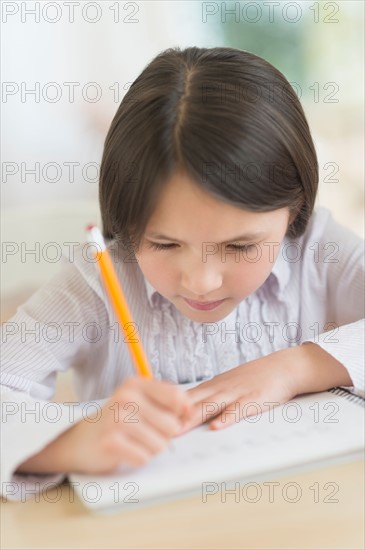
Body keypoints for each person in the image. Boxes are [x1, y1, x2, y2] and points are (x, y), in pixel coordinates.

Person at [1, 46, 363, 500]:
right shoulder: (97, 282)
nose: (201, 281)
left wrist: (298, 367)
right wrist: (63, 445)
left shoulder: (318, 250)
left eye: (241, 245)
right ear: (126, 220)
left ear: (295, 211)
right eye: (165, 244)